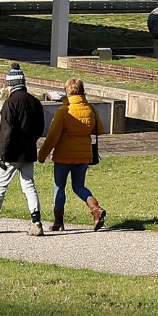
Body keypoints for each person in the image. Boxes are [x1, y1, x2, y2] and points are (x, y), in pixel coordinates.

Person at [36, 77, 108, 234]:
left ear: (66, 92)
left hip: (63, 156)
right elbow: (99, 130)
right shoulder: (91, 109)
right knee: (79, 186)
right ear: (83, 91)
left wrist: (41, 155)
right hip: (84, 155)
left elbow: (52, 137)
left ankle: (58, 221)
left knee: (59, 186)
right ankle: (96, 209)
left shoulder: (63, 111)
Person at [0, 65, 45, 234]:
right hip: (28, 151)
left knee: (0, 185)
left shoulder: (10, 103)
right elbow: (40, 128)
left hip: (12, 152)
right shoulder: (35, 102)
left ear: (11, 85)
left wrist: (2, 154)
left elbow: (6, 132)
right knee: (29, 185)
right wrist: (30, 141)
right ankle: (36, 222)